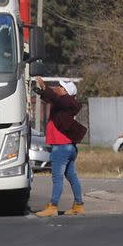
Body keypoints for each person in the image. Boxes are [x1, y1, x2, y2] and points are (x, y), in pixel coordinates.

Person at [35, 77, 88, 217]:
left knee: (57, 178)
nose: (56, 87)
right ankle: (79, 205)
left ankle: (53, 206)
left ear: (65, 91)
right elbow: (53, 99)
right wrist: (42, 91)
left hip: (61, 147)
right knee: (71, 176)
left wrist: (46, 88)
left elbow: (56, 98)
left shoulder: (66, 101)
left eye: (59, 86)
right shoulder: (64, 104)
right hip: (68, 147)